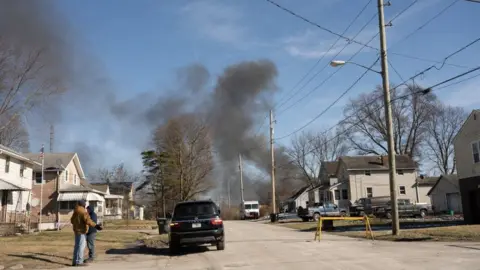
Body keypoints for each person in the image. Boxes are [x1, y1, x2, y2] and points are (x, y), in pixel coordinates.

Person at [70, 200, 101, 267]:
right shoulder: (83, 212)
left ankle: (74, 262)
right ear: (83, 205)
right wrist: (96, 226)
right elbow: (88, 221)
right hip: (82, 231)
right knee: (81, 246)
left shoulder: (75, 211)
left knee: (76, 246)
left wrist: (77, 224)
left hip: (76, 231)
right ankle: (79, 262)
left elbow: (72, 221)